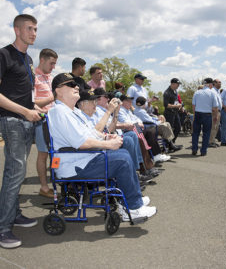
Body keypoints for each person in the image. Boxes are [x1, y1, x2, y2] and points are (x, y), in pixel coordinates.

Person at [48, 73, 157, 221]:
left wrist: (105, 137)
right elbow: (81, 143)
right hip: (75, 164)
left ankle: (131, 199)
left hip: (83, 159)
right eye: (70, 84)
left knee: (124, 154)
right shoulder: (59, 111)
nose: (76, 87)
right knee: (122, 160)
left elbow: (90, 134)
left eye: (75, 85)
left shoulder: (71, 111)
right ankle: (133, 208)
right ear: (58, 90)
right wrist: (108, 144)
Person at [0, 14, 41, 249]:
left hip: (26, 120)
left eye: (36, 29)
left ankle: (14, 213)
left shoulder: (28, 58)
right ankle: (3, 228)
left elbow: (23, 95)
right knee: (15, 173)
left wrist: (33, 108)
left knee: (18, 172)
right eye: (29, 28)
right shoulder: (3, 54)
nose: (34, 33)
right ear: (17, 30)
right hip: (11, 121)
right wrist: (24, 112)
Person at [118, 95, 171, 163]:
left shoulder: (128, 111)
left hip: (135, 128)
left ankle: (157, 154)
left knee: (150, 132)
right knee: (150, 132)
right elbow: (126, 122)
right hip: (128, 130)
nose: (131, 102)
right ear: (122, 102)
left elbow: (137, 119)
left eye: (131, 101)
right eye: (128, 101)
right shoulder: (120, 111)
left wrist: (139, 123)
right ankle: (156, 155)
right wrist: (138, 123)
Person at [34, 48, 58, 198]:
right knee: (43, 154)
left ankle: (57, 182)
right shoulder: (33, 77)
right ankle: (44, 187)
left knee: (55, 153)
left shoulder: (50, 77)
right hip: (41, 121)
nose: (53, 67)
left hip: (54, 120)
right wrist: (52, 98)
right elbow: (31, 101)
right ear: (42, 60)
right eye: (51, 63)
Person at [191, 78, 218, 156]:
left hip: (198, 113)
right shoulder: (212, 93)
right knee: (206, 133)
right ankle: (203, 151)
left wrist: (194, 114)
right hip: (207, 115)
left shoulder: (197, 92)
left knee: (195, 133)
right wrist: (215, 116)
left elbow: (193, 105)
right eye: (212, 84)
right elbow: (215, 107)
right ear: (210, 84)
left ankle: (194, 149)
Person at [163, 78, 182, 144]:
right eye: (177, 84)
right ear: (173, 84)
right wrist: (176, 106)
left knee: (178, 128)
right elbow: (166, 105)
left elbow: (175, 101)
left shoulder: (175, 91)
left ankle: (172, 143)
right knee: (168, 130)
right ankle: (168, 145)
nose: (178, 86)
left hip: (175, 113)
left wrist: (179, 105)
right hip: (169, 114)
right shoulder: (167, 92)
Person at [208, 79, 222, 148]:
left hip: (218, 111)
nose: (220, 83)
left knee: (216, 127)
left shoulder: (217, 91)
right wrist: (215, 113)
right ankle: (210, 142)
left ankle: (213, 141)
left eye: (220, 82)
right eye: (219, 82)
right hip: (214, 112)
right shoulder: (212, 91)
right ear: (214, 83)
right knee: (213, 127)